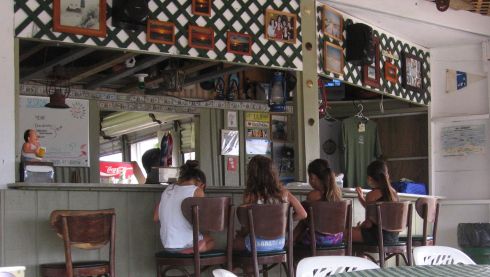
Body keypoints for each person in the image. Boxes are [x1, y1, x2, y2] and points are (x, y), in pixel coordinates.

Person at [234, 155, 307, 252]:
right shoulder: (284, 193)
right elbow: (303, 214)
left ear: (252, 175)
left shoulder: (251, 195)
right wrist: (284, 221)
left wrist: (241, 234)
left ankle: (246, 267)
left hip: (258, 244)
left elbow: (247, 225)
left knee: (233, 245)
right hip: (279, 243)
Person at [153, 160, 211, 254]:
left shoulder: (168, 189)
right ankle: (191, 251)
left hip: (168, 245)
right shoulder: (197, 191)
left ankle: (191, 249)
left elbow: (155, 218)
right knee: (210, 241)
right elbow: (203, 219)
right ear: (201, 184)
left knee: (202, 237)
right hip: (185, 244)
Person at [294, 159, 343, 246]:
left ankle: (290, 246)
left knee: (303, 225)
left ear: (313, 177)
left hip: (318, 240)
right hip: (337, 239)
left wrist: (292, 238)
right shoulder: (337, 193)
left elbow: (304, 222)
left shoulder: (312, 195)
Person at [352, 160, 399, 244]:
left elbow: (368, 224)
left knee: (344, 234)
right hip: (393, 238)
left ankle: (361, 257)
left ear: (370, 178)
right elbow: (376, 210)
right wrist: (361, 198)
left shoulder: (371, 195)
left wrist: (359, 227)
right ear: (387, 175)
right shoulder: (394, 193)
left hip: (377, 237)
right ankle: (363, 257)